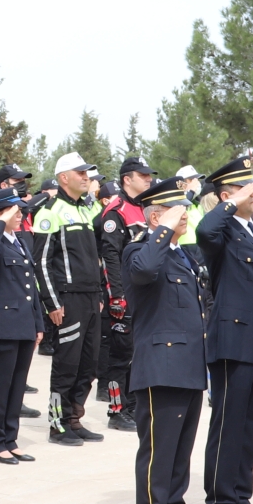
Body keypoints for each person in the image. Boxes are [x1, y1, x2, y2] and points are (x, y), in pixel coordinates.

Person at [123, 177, 214, 504]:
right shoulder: (138, 250)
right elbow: (143, 271)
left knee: (180, 449)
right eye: (178, 211)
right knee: (158, 450)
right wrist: (161, 229)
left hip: (189, 363)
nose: (186, 216)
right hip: (160, 365)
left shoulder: (182, 255)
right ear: (157, 216)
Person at [196, 156, 253, 504]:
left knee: (251, 422)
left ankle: (241, 496)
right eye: (247, 189)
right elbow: (205, 231)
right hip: (233, 340)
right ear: (228, 194)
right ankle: (221, 501)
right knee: (229, 422)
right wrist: (229, 202)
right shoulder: (223, 229)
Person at [32, 152, 106, 445]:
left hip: (91, 299)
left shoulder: (86, 211)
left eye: (87, 173)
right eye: (81, 173)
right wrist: (52, 303)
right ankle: (56, 424)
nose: (87, 177)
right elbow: (41, 263)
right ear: (64, 178)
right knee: (67, 365)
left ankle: (74, 418)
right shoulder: (49, 212)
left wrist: (99, 293)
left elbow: (95, 258)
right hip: (68, 300)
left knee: (88, 365)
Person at [0, 186, 41, 465]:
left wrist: (38, 322)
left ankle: (10, 439)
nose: (21, 214)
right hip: (2, 323)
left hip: (24, 322)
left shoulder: (19, 241)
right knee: (0, 385)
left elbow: (31, 287)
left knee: (16, 386)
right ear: (0, 213)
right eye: (15, 210)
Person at [95, 156, 155, 431]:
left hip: (146, 293)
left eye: (149, 175)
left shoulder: (146, 207)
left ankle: (135, 406)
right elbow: (111, 259)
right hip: (124, 296)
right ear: (126, 179)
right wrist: (117, 297)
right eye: (142, 176)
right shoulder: (115, 211)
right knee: (120, 356)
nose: (149, 179)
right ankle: (117, 411)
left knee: (139, 353)